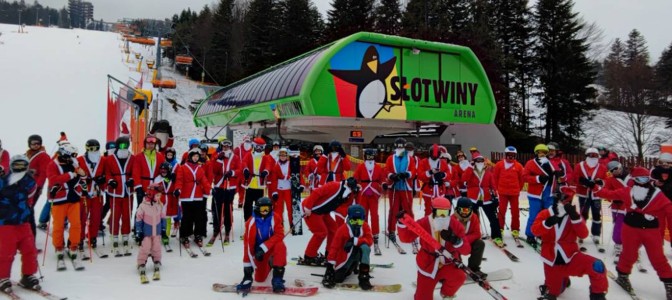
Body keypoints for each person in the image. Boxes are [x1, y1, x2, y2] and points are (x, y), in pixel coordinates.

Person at [594, 167, 672, 298]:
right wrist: (594, 187)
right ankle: (623, 275)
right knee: (629, 254)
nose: (642, 182)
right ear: (633, 180)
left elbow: (669, 211)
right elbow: (607, 194)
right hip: (630, 229)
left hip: (651, 231)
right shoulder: (627, 191)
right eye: (639, 179)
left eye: (646, 179)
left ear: (649, 179)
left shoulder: (658, 195)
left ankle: (669, 283)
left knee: (658, 258)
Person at [532, 186, 608, 300]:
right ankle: (562, 279)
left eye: (569, 200)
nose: (565, 203)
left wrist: (575, 218)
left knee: (597, 266)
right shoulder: (545, 213)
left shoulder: (573, 215)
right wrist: (547, 223)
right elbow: (534, 231)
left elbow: (583, 234)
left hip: (571, 257)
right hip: (552, 261)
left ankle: (597, 296)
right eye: (563, 199)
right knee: (554, 292)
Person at [397, 197, 470, 300]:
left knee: (459, 276)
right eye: (439, 212)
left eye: (445, 213)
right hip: (428, 265)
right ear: (433, 210)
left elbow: (466, 250)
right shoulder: (424, 222)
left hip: (448, 263)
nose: (442, 216)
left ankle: (446, 293)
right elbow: (406, 238)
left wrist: (456, 241)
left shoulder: (455, 225)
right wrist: (402, 224)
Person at [0, 155, 41, 293]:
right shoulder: (3, 181)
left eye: (22, 165)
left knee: (30, 249)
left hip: (23, 221)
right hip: (6, 222)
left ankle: (28, 275)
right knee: (7, 251)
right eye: (16, 165)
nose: (19, 169)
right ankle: (2, 277)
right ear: (11, 166)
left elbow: (32, 192)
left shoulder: (28, 181)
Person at [301, 177, 359, 265]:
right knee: (321, 232)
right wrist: (308, 207)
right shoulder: (334, 186)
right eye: (351, 188)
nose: (351, 191)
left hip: (323, 211)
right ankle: (309, 256)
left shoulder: (347, 194)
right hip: (312, 210)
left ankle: (329, 253)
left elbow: (343, 206)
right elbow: (317, 192)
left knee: (334, 229)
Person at [236, 197, 287, 295]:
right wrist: (247, 275)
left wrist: (264, 247)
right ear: (257, 208)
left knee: (280, 245)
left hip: (270, 248)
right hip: (259, 252)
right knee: (259, 279)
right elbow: (247, 247)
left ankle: (277, 279)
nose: (265, 211)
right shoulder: (250, 223)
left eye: (267, 209)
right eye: (262, 208)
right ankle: (270, 263)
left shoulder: (275, 218)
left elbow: (280, 234)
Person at [47, 143, 85, 267]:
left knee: (76, 224)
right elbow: (54, 180)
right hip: (59, 199)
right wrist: (71, 175)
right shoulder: (53, 164)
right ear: (64, 155)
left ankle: (73, 245)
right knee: (58, 225)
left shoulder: (73, 163)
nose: (72, 158)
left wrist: (82, 176)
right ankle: (59, 246)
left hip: (73, 198)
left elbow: (81, 175)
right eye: (71, 156)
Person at [96, 136, 135, 256]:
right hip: (115, 191)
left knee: (127, 214)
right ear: (117, 146)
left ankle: (125, 235)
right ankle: (114, 236)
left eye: (126, 146)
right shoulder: (110, 159)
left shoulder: (132, 158)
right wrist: (110, 180)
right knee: (116, 214)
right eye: (121, 146)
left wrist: (132, 179)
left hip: (128, 191)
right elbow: (107, 173)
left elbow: (135, 171)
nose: (124, 148)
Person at [322, 204, 373, 290]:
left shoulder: (365, 226)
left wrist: (355, 241)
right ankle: (352, 266)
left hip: (357, 253)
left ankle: (364, 276)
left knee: (365, 247)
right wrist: (329, 268)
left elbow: (370, 240)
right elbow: (334, 247)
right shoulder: (342, 230)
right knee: (338, 279)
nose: (357, 224)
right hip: (344, 256)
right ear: (349, 218)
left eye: (360, 221)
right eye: (354, 221)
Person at [174, 148, 211, 248]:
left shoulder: (199, 168)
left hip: (198, 196)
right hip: (186, 196)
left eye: (197, 156)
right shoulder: (182, 167)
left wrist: (209, 189)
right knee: (187, 217)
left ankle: (198, 234)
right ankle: (185, 235)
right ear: (190, 157)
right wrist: (178, 189)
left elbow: (204, 180)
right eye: (194, 156)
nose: (195, 158)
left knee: (198, 217)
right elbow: (179, 180)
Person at [462, 154, 502, 246]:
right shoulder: (470, 170)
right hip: (473, 198)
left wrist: (496, 197)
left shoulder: (488, 172)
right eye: (477, 161)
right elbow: (464, 179)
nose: (479, 162)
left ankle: (496, 236)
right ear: (474, 162)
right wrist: (469, 167)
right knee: (472, 219)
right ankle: (473, 236)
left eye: (481, 160)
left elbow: (493, 185)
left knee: (493, 218)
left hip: (486, 198)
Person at [523, 144, 557, 247]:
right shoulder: (530, 163)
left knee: (546, 216)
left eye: (544, 152)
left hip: (548, 194)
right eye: (539, 152)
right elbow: (525, 177)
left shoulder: (551, 163)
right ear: (536, 153)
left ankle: (542, 234)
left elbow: (558, 177)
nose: (541, 154)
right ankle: (530, 235)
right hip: (535, 194)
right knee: (534, 216)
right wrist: (538, 178)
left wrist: (559, 176)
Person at [385, 137, 416, 245]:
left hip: (405, 188)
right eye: (398, 146)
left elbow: (413, 170)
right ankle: (392, 230)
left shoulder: (410, 158)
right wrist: (391, 176)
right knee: (393, 209)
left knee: (408, 209)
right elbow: (387, 170)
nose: (400, 148)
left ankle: (411, 229)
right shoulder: (390, 158)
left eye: (401, 146)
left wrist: (407, 174)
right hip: (394, 187)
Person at [573, 148, 608, 244]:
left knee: (596, 214)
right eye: (591, 155)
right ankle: (581, 233)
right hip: (583, 194)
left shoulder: (602, 167)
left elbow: (606, 180)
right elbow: (575, 177)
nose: (593, 157)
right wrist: (583, 181)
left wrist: (601, 182)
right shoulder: (579, 166)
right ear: (586, 156)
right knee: (583, 213)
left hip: (596, 195)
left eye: (595, 155)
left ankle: (596, 234)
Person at [76, 139, 105, 256]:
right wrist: (82, 180)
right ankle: (80, 238)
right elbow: (75, 174)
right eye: (91, 149)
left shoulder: (102, 160)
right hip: (84, 194)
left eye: (96, 148)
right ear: (87, 149)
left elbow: (107, 173)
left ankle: (93, 237)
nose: (94, 151)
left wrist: (103, 179)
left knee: (96, 217)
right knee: (82, 217)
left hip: (97, 193)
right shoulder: (79, 160)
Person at [353, 149, 385, 253]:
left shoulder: (378, 167)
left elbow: (382, 179)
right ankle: (364, 231)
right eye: (368, 157)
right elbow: (355, 178)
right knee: (363, 214)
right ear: (365, 157)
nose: (370, 159)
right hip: (363, 193)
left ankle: (375, 233)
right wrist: (355, 184)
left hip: (374, 194)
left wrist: (384, 184)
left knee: (374, 214)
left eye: (372, 157)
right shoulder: (361, 167)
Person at [209, 139, 239, 245]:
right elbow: (213, 170)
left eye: (227, 146)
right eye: (224, 146)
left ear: (230, 147)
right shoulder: (217, 156)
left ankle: (227, 229)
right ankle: (216, 229)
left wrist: (232, 172)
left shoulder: (235, 157)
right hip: (219, 185)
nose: (225, 148)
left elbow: (239, 170)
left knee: (227, 208)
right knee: (217, 208)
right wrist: (218, 160)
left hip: (230, 186)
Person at [134, 184, 166, 280]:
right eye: (157, 195)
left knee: (156, 247)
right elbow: (138, 220)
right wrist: (138, 232)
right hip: (146, 233)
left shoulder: (160, 205)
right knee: (145, 248)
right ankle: (141, 263)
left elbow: (163, 218)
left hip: (157, 232)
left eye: (160, 195)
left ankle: (157, 261)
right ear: (151, 195)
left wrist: (163, 229)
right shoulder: (143, 206)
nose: (159, 197)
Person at [493, 146, 524, 240]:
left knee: (515, 211)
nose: (511, 157)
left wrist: (518, 189)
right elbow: (495, 177)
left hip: (514, 193)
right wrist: (496, 189)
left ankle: (515, 229)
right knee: (502, 211)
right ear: (505, 155)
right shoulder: (499, 164)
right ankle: (500, 228)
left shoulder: (518, 166)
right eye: (509, 155)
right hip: (502, 192)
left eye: (513, 156)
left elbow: (521, 180)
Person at [268, 148, 304, 226]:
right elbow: (273, 179)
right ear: (279, 156)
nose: (282, 157)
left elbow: (298, 174)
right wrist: (274, 192)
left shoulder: (291, 164)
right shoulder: (276, 165)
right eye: (281, 155)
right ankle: (279, 225)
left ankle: (292, 224)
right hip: (279, 189)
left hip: (289, 189)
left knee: (290, 208)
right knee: (278, 209)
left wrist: (301, 184)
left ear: (287, 156)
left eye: (284, 155)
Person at [453, 197, 486, 278]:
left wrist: (463, 240)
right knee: (451, 245)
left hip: (466, 243)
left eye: (467, 210)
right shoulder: (452, 219)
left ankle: (473, 268)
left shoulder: (474, 217)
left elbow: (477, 234)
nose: (465, 213)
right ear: (457, 209)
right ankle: (454, 268)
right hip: (455, 246)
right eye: (462, 210)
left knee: (480, 243)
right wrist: (458, 241)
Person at [241, 138, 274, 221]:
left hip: (260, 186)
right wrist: (245, 170)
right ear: (254, 146)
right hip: (250, 185)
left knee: (259, 205)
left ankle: (258, 222)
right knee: (247, 205)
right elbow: (244, 162)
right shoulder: (249, 155)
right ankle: (247, 222)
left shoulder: (266, 157)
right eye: (257, 146)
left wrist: (265, 172)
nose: (259, 149)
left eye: (261, 147)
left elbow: (268, 165)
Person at [603, 161, 630, 259]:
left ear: (620, 167)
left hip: (631, 207)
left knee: (632, 227)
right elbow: (607, 192)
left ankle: (631, 246)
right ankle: (618, 245)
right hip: (618, 207)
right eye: (611, 171)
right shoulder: (610, 180)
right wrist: (614, 197)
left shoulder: (630, 177)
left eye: (615, 169)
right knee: (618, 226)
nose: (614, 172)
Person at [132, 135, 165, 208]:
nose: (150, 145)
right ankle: (138, 220)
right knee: (141, 208)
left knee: (155, 208)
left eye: (152, 144)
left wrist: (159, 181)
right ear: (145, 144)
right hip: (143, 187)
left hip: (156, 187)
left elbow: (163, 172)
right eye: (148, 144)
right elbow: (136, 173)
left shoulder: (160, 156)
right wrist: (138, 187)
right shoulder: (139, 157)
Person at [29, 135, 52, 235]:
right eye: (33, 143)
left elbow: (44, 173)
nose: (36, 145)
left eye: (38, 143)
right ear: (29, 144)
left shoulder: (43, 156)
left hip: (34, 187)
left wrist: (38, 186)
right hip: (24, 186)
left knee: (28, 208)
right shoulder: (28, 154)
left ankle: (29, 232)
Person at [418, 144, 450, 217]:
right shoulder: (423, 162)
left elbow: (449, 174)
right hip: (428, 189)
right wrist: (429, 173)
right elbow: (420, 175)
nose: (435, 157)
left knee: (441, 208)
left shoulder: (443, 162)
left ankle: (440, 225)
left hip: (440, 189)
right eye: (433, 156)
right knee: (428, 209)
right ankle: (428, 226)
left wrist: (443, 175)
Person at [154, 162, 178, 247]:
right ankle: (159, 234)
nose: (163, 172)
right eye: (162, 170)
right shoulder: (158, 178)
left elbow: (177, 186)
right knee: (159, 219)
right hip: (161, 201)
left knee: (167, 219)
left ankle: (166, 235)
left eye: (165, 170)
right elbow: (154, 189)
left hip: (170, 200)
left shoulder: (172, 178)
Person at [652, 152, 672, 243]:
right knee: (659, 225)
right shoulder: (654, 171)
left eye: (668, 162)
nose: (665, 164)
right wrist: (654, 183)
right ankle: (659, 245)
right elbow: (647, 182)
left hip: (670, 202)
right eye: (663, 162)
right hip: (658, 202)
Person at [234, 136, 253, 208]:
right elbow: (233, 158)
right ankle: (230, 200)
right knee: (235, 187)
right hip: (238, 171)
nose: (247, 143)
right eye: (246, 141)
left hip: (246, 172)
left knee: (243, 188)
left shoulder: (251, 150)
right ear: (244, 141)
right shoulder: (238, 149)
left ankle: (241, 202)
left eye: (249, 142)